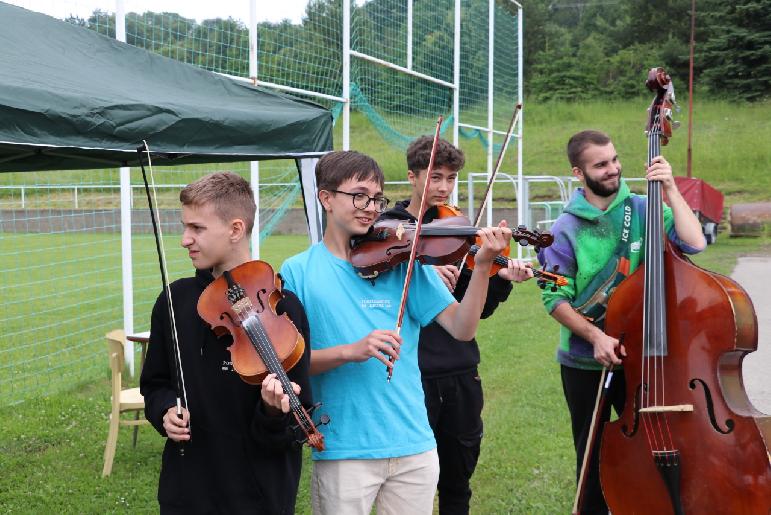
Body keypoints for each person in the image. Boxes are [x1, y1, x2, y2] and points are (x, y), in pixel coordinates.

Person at [279, 150, 512, 515]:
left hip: (414, 445)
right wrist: (350, 350)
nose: (370, 207)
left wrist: (482, 268)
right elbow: (287, 364)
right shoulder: (297, 272)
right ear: (325, 198)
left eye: (376, 198)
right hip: (345, 449)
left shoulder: (402, 263)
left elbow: (462, 328)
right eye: (358, 195)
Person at [537, 130, 706, 515]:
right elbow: (554, 299)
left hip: (647, 357)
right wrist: (595, 336)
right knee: (592, 457)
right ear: (578, 173)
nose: (613, 169)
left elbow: (694, 242)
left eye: (614, 159)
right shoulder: (564, 229)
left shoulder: (646, 208)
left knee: (656, 447)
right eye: (601, 164)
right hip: (583, 361)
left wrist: (671, 192)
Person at [140, 172, 313, 514]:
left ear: (235, 229)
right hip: (187, 492)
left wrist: (270, 410)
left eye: (197, 228)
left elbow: (296, 419)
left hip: (259, 495)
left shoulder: (282, 306)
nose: (184, 239)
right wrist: (164, 411)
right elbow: (155, 384)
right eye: (184, 227)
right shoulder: (174, 301)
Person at [377, 136, 532, 514]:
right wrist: (423, 267)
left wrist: (497, 279)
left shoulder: (457, 230)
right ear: (413, 177)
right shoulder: (390, 229)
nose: (443, 187)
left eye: (450, 178)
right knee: (407, 483)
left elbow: (475, 312)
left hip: (460, 370)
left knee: (457, 483)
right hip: (415, 373)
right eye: (435, 177)